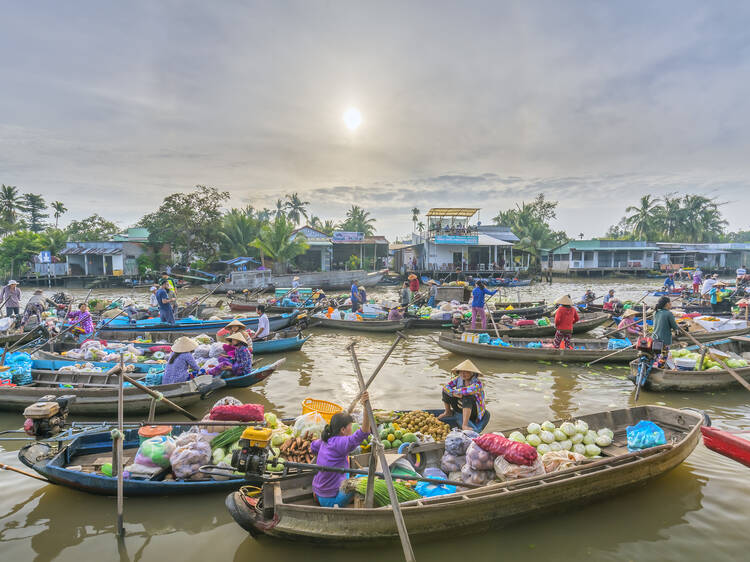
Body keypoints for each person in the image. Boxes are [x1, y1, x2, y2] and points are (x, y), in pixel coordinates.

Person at [310, 392, 371, 507]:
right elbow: (364, 432)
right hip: (331, 501)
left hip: (319, 492)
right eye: (350, 426)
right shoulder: (340, 443)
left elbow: (313, 446)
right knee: (365, 474)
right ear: (343, 430)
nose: (351, 428)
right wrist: (366, 408)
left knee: (346, 469)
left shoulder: (325, 439)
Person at [437, 359, 486, 431]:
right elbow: (446, 387)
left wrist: (455, 392)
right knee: (445, 391)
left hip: (474, 411)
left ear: (472, 373)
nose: (463, 374)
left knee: (467, 396)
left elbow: (468, 391)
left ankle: (464, 425)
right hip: (461, 406)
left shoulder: (478, 383)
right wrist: (454, 393)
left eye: (466, 372)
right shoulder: (458, 379)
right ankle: (448, 412)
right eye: (461, 372)